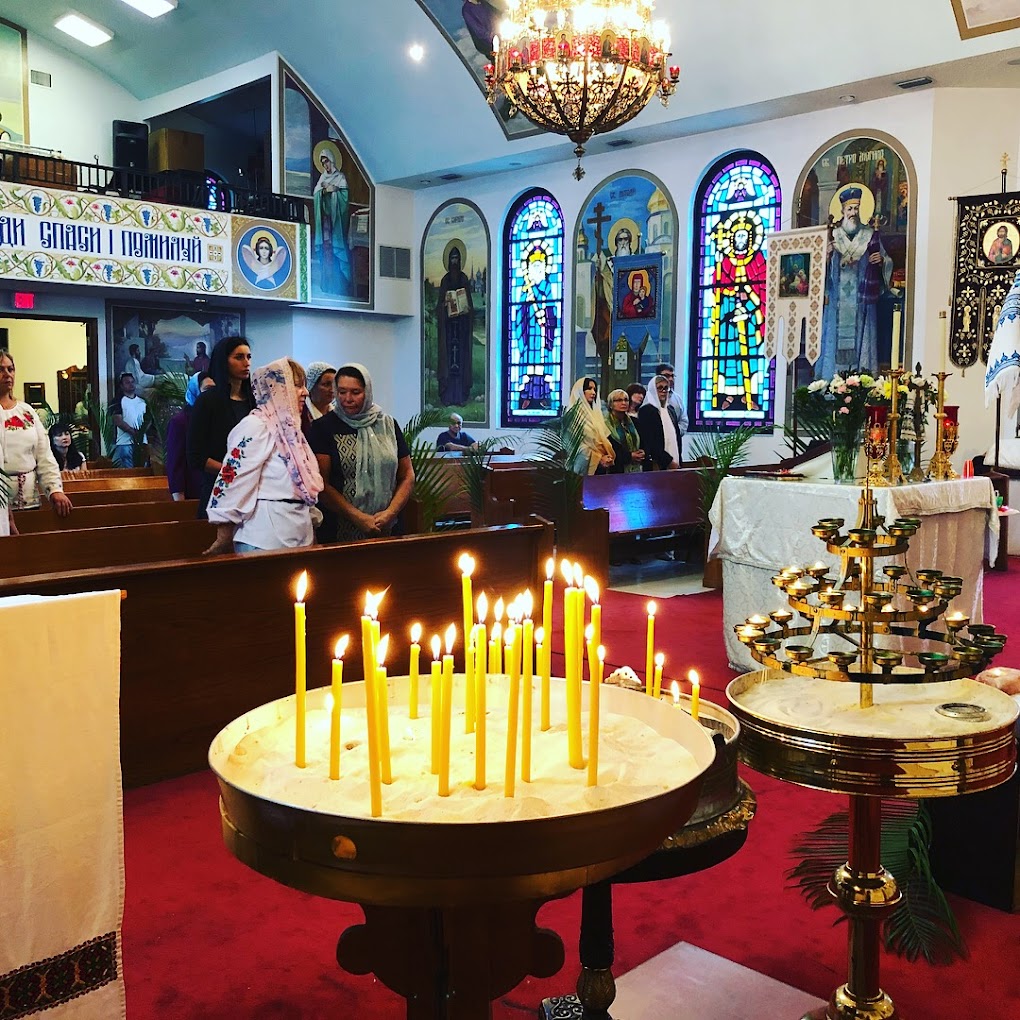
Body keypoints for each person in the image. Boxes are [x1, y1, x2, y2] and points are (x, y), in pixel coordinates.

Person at [204, 359, 323, 554]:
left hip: (299, 531)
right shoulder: (256, 425)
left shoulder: (291, 431)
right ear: (276, 388)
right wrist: (224, 533)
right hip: (264, 536)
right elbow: (234, 478)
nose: (305, 392)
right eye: (297, 386)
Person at [309, 363, 414, 543]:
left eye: (355, 392)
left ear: (368, 392)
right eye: (341, 392)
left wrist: (390, 513)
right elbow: (322, 485)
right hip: (339, 529)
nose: (347, 399)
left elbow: (407, 475)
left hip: (388, 525)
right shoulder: (323, 428)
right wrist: (358, 517)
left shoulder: (388, 425)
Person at [819, 186, 893, 381]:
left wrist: (881, 261)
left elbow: (885, 261)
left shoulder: (869, 235)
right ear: (842, 211)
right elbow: (818, 274)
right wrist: (826, 258)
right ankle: (830, 382)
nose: (853, 213)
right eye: (849, 209)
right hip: (836, 302)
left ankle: (862, 380)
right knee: (833, 339)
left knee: (863, 338)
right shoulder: (832, 237)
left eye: (856, 209)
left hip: (861, 301)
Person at [0, 348, 72, 520]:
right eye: (0, 370)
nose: (7, 374)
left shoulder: (27, 412)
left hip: (30, 501)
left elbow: (44, 455)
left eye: (10, 369)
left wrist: (55, 489)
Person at [187, 336, 255, 517]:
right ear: (223, 361)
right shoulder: (208, 401)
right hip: (219, 487)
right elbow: (196, 456)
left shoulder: (254, 401)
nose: (246, 363)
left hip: (251, 489)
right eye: (239, 357)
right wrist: (232, 471)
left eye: (249, 357)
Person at [436, 242, 475, 405]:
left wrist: (465, 308)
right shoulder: (445, 280)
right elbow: (439, 305)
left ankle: (460, 396)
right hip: (448, 328)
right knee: (448, 361)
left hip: (461, 328)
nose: (454, 261)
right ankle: (447, 396)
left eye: (456, 258)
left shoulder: (463, 278)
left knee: (460, 362)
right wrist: (445, 306)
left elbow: (470, 304)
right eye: (451, 258)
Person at [166, 372, 213, 501]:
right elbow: (175, 463)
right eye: (207, 390)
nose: (211, 395)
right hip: (192, 491)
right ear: (195, 391)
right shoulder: (180, 422)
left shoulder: (216, 418)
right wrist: (179, 497)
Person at [313, 144, 352, 296]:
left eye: (327, 161)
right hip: (325, 222)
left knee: (336, 252)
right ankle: (326, 284)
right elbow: (317, 195)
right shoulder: (322, 178)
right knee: (326, 252)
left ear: (332, 160)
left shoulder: (340, 177)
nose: (325, 165)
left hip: (336, 224)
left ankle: (340, 284)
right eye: (323, 163)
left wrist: (334, 191)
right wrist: (323, 191)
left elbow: (344, 198)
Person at [565, 377, 615, 475]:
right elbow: (575, 446)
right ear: (579, 391)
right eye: (589, 389)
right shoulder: (572, 415)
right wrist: (599, 458)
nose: (593, 393)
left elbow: (603, 438)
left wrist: (606, 456)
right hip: (581, 467)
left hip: (602, 466)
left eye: (595, 389)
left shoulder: (596, 414)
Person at [637, 374, 683, 470]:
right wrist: (668, 461)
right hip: (656, 464)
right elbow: (650, 441)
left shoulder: (670, 409)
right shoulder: (646, 411)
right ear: (653, 390)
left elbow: (677, 436)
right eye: (660, 388)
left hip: (675, 460)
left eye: (666, 388)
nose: (663, 391)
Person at [108, 372, 148, 469]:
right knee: (128, 472)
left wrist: (142, 434)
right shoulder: (117, 401)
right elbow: (118, 421)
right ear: (121, 386)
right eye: (127, 382)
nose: (131, 384)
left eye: (132, 382)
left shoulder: (142, 402)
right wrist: (134, 432)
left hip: (142, 442)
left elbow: (148, 419)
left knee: (143, 471)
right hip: (125, 443)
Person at [604, 388, 645, 473]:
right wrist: (629, 456)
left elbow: (643, 441)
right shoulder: (605, 425)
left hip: (636, 468)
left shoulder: (635, 422)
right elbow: (609, 449)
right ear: (611, 404)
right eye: (619, 400)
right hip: (616, 469)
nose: (623, 403)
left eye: (626, 400)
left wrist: (643, 451)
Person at [653, 363, 690, 433]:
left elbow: (684, 421)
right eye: (667, 376)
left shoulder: (677, 399)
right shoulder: (649, 397)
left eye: (672, 376)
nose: (670, 379)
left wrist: (673, 432)